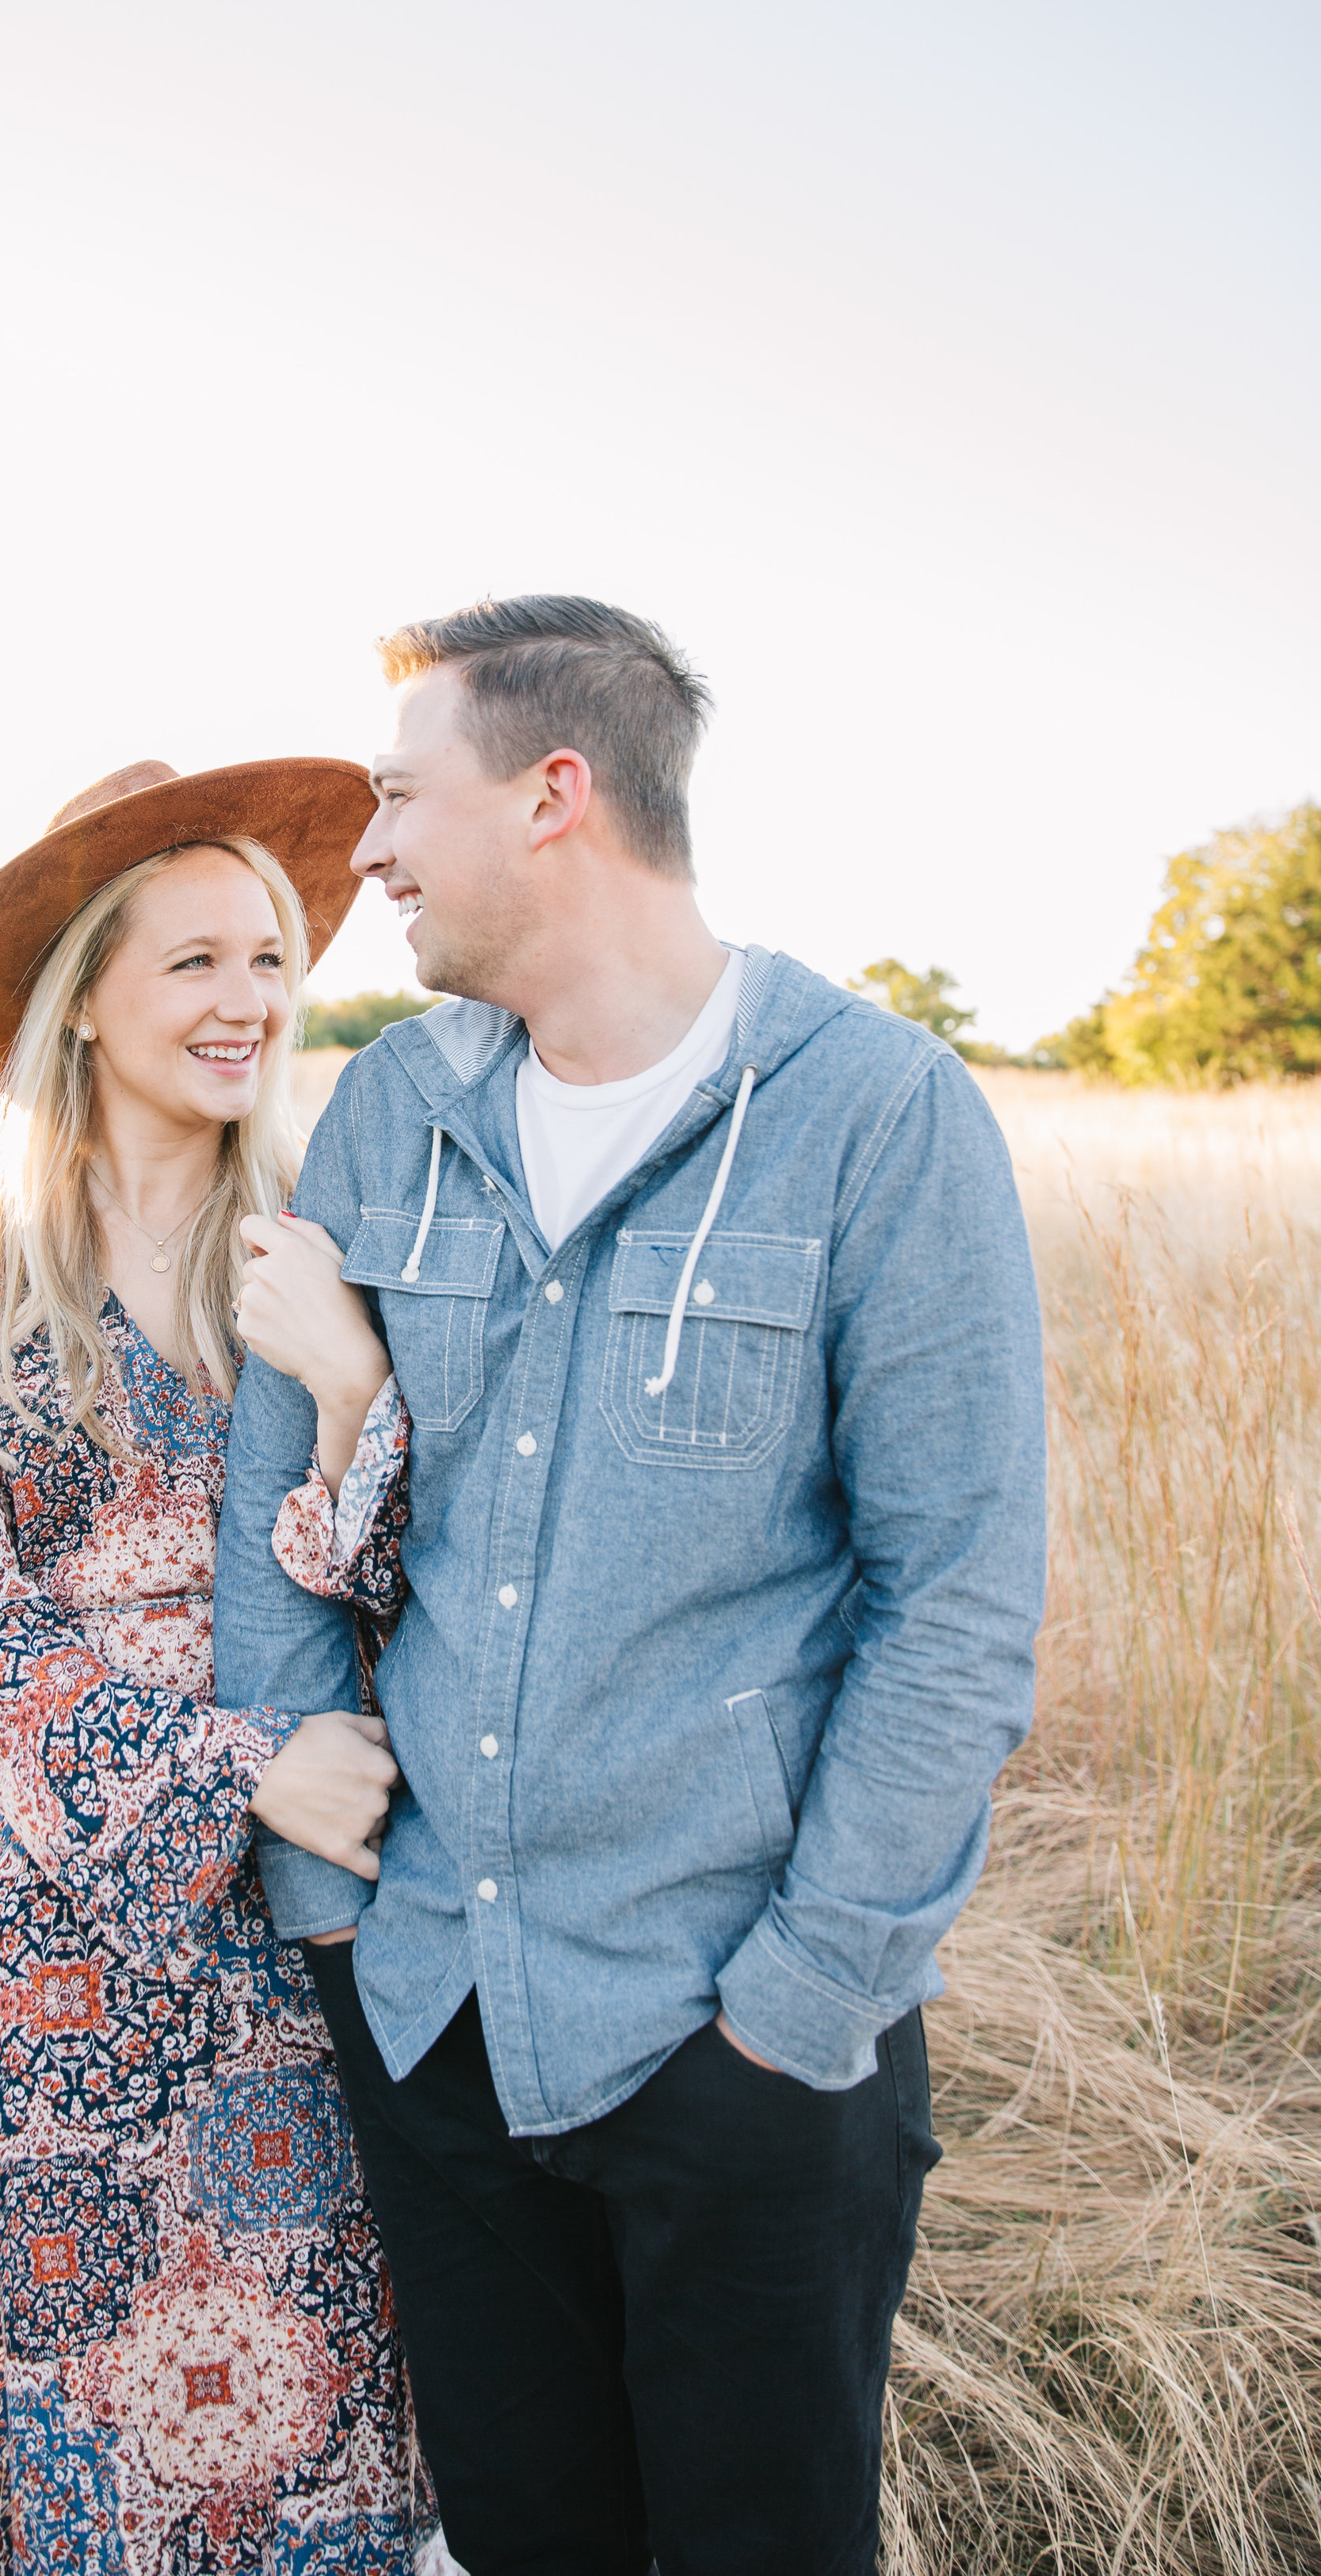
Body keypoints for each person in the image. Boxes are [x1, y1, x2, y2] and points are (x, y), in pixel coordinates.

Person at [212, 600, 1048, 2576]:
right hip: (433, 2020)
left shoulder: (874, 1116)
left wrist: (799, 2008)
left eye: (401, 801)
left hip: (734, 2050)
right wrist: (332, 1922)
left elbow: (955, 1606)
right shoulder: (395, 1114)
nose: (371, 856)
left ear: (554, 795)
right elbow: (280, 1520)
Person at [0, 757, 438, 2574]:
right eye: (193, 963)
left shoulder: (319, 1251)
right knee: (91, 2428)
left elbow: (419, 1591)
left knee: (331, 2403)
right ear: (85, 995)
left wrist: (352, 1387)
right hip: (59, 1947)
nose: (247, 1007)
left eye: (267, 962)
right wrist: (230, 1764)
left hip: (311, 1912)